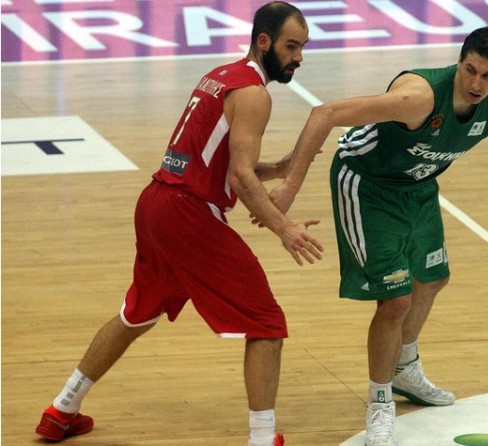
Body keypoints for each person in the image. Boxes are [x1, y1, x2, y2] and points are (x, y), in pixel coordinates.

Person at [35, 2, 323, 445]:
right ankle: (263, 439)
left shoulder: (219, 76)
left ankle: (62, 409)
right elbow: (239, 177)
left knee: (135, 314)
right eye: (291, 46)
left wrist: (280, 167)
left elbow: (215, 162)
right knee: (265, 322)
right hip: (189, 214)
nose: (298, 57)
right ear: (264, 41)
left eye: (302, 47)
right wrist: (284, 227)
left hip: (156, 203)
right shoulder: (254, 94)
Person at [267, 27, 488, 445]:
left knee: (433, 278)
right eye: (470, 70)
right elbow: (325, 114)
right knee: (395, 301)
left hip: (417, 185)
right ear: (459, 63)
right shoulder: (418, 97)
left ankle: (404, 369)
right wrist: (291, 185)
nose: (476, 83)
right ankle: (379, 402)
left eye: (487, 76)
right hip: (368, 183)